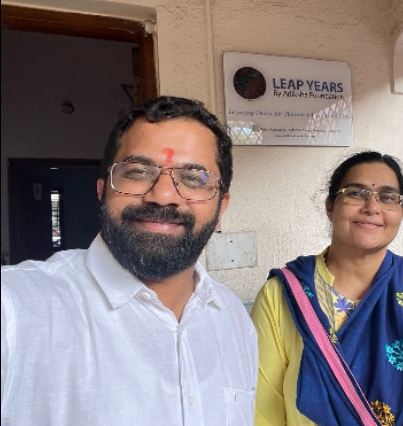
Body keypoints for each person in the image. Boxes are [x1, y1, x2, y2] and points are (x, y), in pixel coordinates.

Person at [1, 96, 257, 425]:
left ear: (221, 208)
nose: (163, 195)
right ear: (101, 191)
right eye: (137, 172)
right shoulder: (17, 311)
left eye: (193, 179)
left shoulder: (233, 316)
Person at [251, 151, 403, 426]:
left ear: (401, 213)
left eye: (387, 197)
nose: (372, 207)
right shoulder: (282, 296)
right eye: (355, 193)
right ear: (330, 206)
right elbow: (260, 412)